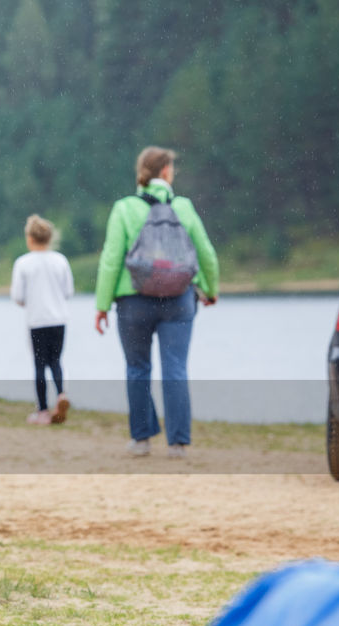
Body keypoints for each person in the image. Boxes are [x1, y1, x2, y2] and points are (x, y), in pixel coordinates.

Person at [94, 146, 219, 458]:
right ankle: (178, 443)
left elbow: (111, 259)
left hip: (133, 300)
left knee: (137, 368)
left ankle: (141, 439)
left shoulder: (124, 208)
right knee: (175, 368)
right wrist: (209, 288)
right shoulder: (184, 207)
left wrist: (102, 304)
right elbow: (206, 254)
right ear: (165, 172)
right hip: (178, 300)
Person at [11, 214, 73, 426]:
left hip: (37, 321)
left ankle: (43, 411)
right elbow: (68, 291)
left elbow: (18, 297)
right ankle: (61, 394)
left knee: (39, 365)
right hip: (59, 320)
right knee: (55, 361)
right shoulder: (61, 260)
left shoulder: (23, 263)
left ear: (30, 238)